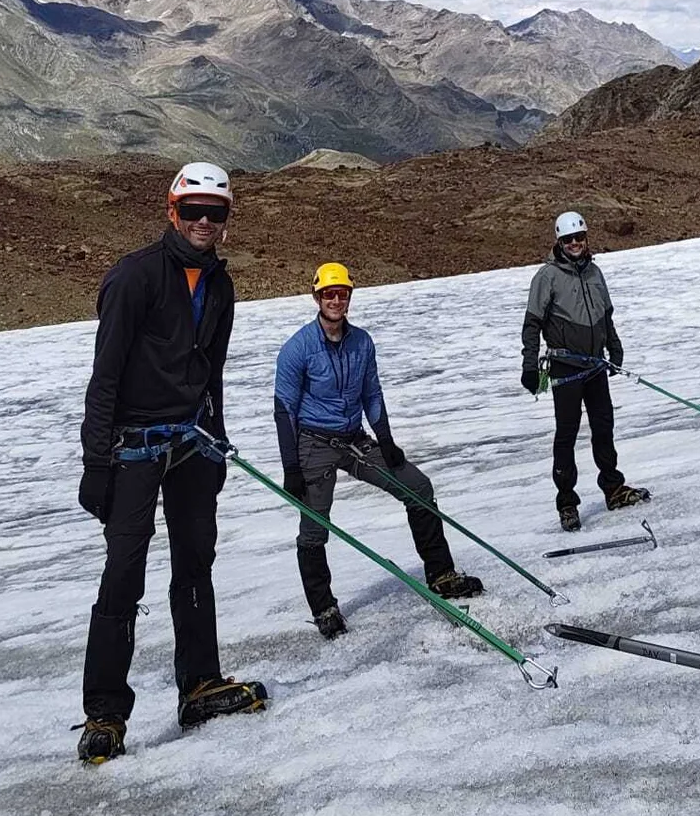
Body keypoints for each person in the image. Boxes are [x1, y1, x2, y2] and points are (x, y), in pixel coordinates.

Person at [73, 162, 267, 765]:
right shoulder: (134, 277)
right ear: (172, 211)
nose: (204, 223)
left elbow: (213, 375)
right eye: (194, 211)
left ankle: (200, 685)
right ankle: (105, 713)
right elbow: (104, 376)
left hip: (190, 444)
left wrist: (218, 442)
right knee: (123, 574)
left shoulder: (221, 286)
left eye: (217, 212)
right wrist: (95, 462)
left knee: (195, 561)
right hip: (130, 446)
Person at [276, 262, 483, 640]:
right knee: (314, 527)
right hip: (313, 444)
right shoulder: (297, 349)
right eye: (329, 294)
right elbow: (284, 410)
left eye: (342, 293)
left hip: (353, 438)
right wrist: (291, 466)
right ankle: (324, 608)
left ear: (350, 296)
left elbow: (372, 394)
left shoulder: (362, 342)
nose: (336, 300)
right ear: (317, 298)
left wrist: (385, 441)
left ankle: (441, 574)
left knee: (418, 487)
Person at [521, 210, 651, 532]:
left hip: (594, 365)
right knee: (566, 435)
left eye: (579, 237)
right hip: (565, 368)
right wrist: (528, 362)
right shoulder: (546, 277)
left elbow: (606, 316)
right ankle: (567, 503)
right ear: (559, 242)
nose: (575, 243)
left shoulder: (595, 273)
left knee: (603, 426)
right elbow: (532, 323)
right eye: (569, 239)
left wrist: (614, 346)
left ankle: (613, 488)